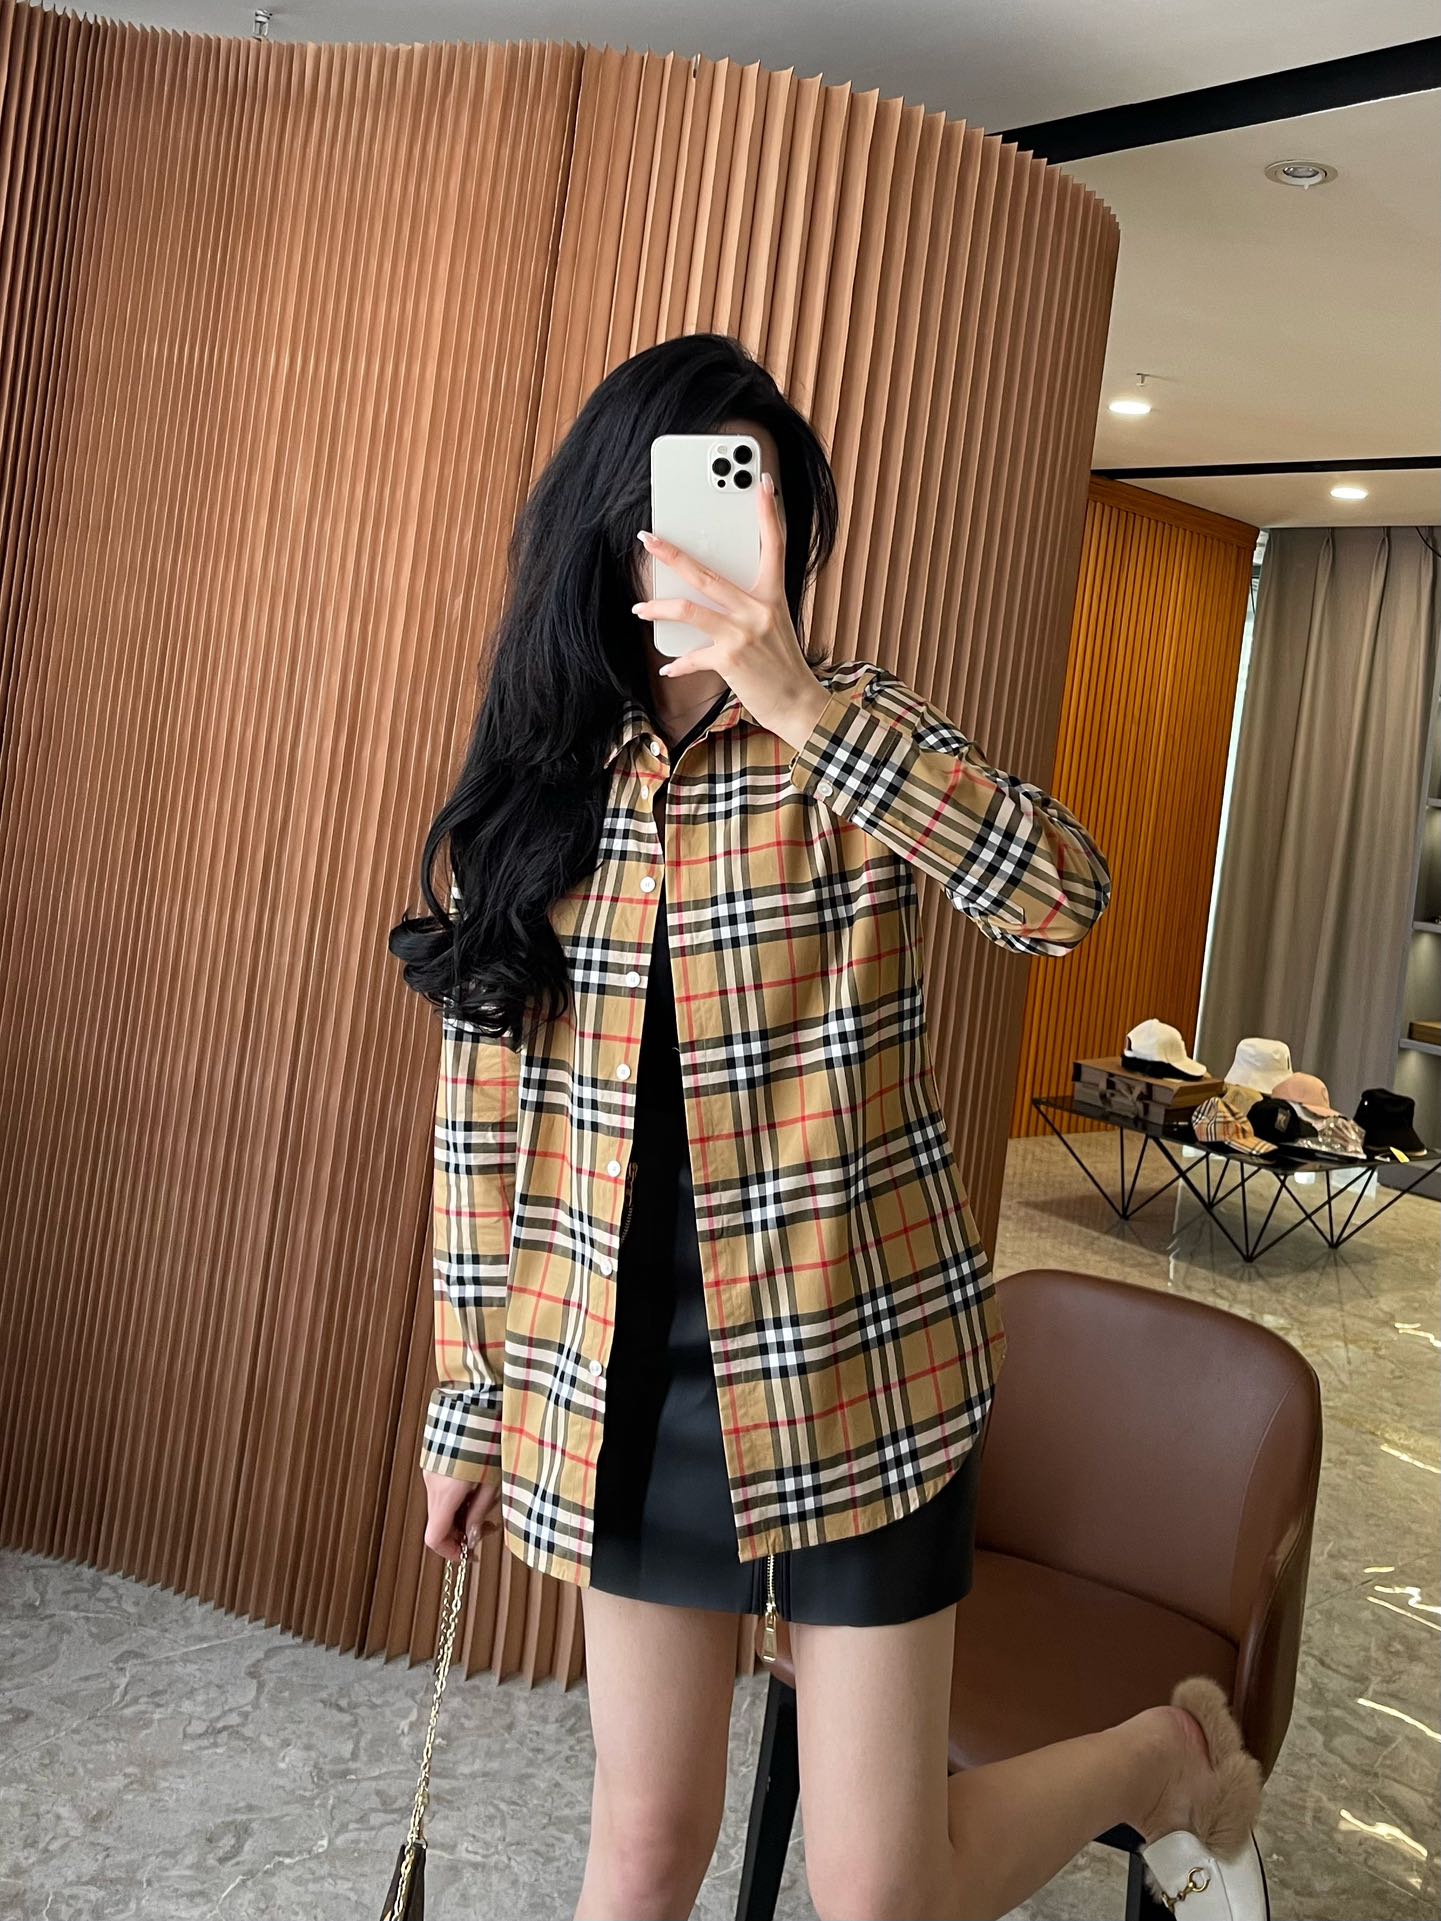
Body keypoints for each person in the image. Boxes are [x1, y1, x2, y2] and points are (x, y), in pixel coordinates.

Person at [388, 333, 1267, 1921]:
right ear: (613, 521)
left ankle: (1155, 1757)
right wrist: (469, 1400)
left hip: (856, 1368)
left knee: (881, 1894)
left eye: (767, 496)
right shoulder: (535, 787)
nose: (744, 526)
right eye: (707, 491)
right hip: (616, 1385)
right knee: (641, 1843)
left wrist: (794, 701)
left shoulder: (849, 735)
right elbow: (479, 1132)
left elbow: (1060, 896)